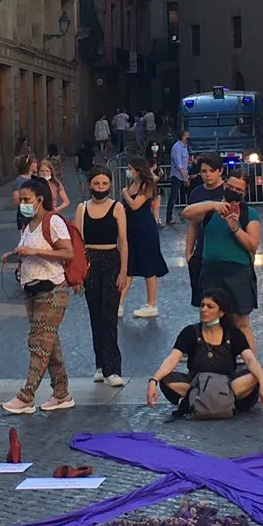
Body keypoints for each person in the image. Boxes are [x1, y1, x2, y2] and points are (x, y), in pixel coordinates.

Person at [1, 178, 76, 415]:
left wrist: (34, 251)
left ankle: (27, 395)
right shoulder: (27, 226)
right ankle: (61, 392)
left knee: (38, 342)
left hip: (52, 289)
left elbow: (68, 252)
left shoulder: (52, 221)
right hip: (31, 290)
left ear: (39, 199)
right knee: (49, 342)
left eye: (26, 199)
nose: (22, 203)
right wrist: (16, 257)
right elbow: (29, 252)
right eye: (21, 200)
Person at [145, 291, 263, 417]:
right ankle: (219, 403)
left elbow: (250, 359)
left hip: (228, 385)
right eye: (202, 305)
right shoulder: (190, 332)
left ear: (221, 312)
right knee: (166, 379)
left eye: (210, 306)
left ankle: (203, 403)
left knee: (254, 376)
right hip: (197, 385)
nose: (203, 309)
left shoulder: (232, 333)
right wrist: (154, 380)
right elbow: (173, 358)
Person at [183, 173, 262, 351]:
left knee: (241, 321)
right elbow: (186, 213)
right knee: (210, 319)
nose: (234, 192)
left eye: (239, 190)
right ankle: (211, 358)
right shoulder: (210, 211)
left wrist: (235, 228)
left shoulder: (249, 213)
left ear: (245, 192)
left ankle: (250, 364)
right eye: (232, 188)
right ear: (225, 185)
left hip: (238, 272)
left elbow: (252, 244)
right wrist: (212, 204)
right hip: (211, 271)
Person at [76, 168, 129, 384]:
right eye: (96, 184)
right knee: (95, 316)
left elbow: (123, 241)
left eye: (104, 184)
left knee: (109, 316)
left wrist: (124, 271)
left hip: (111, 260)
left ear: (110, 185)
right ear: (90, 185)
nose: (100, 188)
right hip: (90, 261)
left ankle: (113, 368)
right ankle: (100, 364)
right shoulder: (82, 208)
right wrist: (78, 274)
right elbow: (77, 243)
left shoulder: (117, 208)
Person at [123, 157, 168, 318]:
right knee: (128, 265)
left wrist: (125, 194)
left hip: (145, 228)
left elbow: (135, 205)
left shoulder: (146, 185)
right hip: (131, 228)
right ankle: (120, 302)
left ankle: (151, 303)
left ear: (138, 169)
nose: (128, 171)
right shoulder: (132, 184)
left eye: (130, 168)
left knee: (149, 266)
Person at [182, 154, 227, 309]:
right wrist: (189, 253)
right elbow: (193, 224)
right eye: (203, 171)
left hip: (223, 254)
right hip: (201, 253)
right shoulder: (196, 193)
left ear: (220, 171)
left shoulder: (228, 191)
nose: (207, 174)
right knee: (203, 303)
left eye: (211, 170)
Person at [167, 129, 193, 226]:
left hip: (183, 175)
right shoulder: (177, 147)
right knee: (173, 197)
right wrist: (185, 177)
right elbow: (179, 164)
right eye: (187, 135)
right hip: (177, 176)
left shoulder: (185, 147)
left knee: (186, 195)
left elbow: (185, 162)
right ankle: (169, 218)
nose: (189, 137)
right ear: (182, 136)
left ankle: (185, 214)